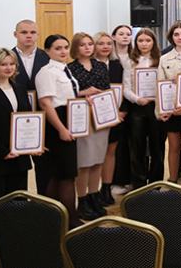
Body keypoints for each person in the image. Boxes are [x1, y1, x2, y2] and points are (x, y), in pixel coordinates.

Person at [35, 34, 82, 228]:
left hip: (68, 119)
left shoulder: (65, 69)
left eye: (65, 47)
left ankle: (52, 219)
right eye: (57, 48)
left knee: (58, 174)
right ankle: (72, 220)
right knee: (67, 175)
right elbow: (45, 103)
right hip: (57, 124)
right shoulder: (46, 72)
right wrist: (62, 129)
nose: (63, 51)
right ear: (47, 51)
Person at [67, 32, 112, 220]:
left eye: (89, 44)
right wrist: (84, 93)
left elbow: (108, 89)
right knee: (85, 162)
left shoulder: (101, 65)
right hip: (82, 119)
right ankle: (82, 199)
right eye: (82, 45)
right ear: (75, 47)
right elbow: (66, 94)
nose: (87, 48)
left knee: (98, 160)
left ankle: (94, 195)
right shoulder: (69, 68)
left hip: (101, 116)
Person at [12, 20, 50, 194]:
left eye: (33, 32)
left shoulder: (47, 57)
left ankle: (44, 204)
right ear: (15, 34)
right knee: (17, 167)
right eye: (24, 32)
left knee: (45, 167)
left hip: (44, 116)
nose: (29, 36)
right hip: (15, 118)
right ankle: (18, 204)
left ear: (38, 35)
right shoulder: (7, 58)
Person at [157, 21, 181, 184]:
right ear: (171, 37)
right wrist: (163, 111)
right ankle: (173, 180)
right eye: (176, 34)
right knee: (174, 146)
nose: (180, 37)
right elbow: (160, 85)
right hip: (172, 108)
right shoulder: (164, 58)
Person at [122, 28, 163, 190]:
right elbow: (126, 88)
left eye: (148, 40)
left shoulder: (160, 60)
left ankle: (156, 184)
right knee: (137, 147)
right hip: (137, 108)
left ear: (154, 42)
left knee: (157, 147)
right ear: (136, 43)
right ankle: (139, 185)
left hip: (156, 107)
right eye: (140, 41)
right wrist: (137, 99)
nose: (144, 44)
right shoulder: (130, 62)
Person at [0, 48, 34, 200]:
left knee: (19, 201)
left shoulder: (19, 89)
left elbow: (27, 119)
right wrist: (1, 151)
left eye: (12, 64)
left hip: (19, 157)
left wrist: (33, 144)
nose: (9, 68)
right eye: (3, 64)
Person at [92, 31, 126, 206]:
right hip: (94, 118)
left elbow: (125, 88)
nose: (105, 47)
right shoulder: (88, 65)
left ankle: (107, 187)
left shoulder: (117, 65)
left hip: (116, 116)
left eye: (108, 44)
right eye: (101, 43)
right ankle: (94, 190)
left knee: (111, 152)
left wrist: (122, 112)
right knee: (96, 154)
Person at [108, 25, 134, 196]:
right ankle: (117, 180)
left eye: (128, 34)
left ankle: (134, 179)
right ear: (114, 36)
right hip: (115, 108)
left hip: (134, 105)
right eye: (121, 34)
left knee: (134, 145)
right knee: (118, 146)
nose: (125, 37)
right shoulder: (109, 60)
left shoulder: (135, 57)